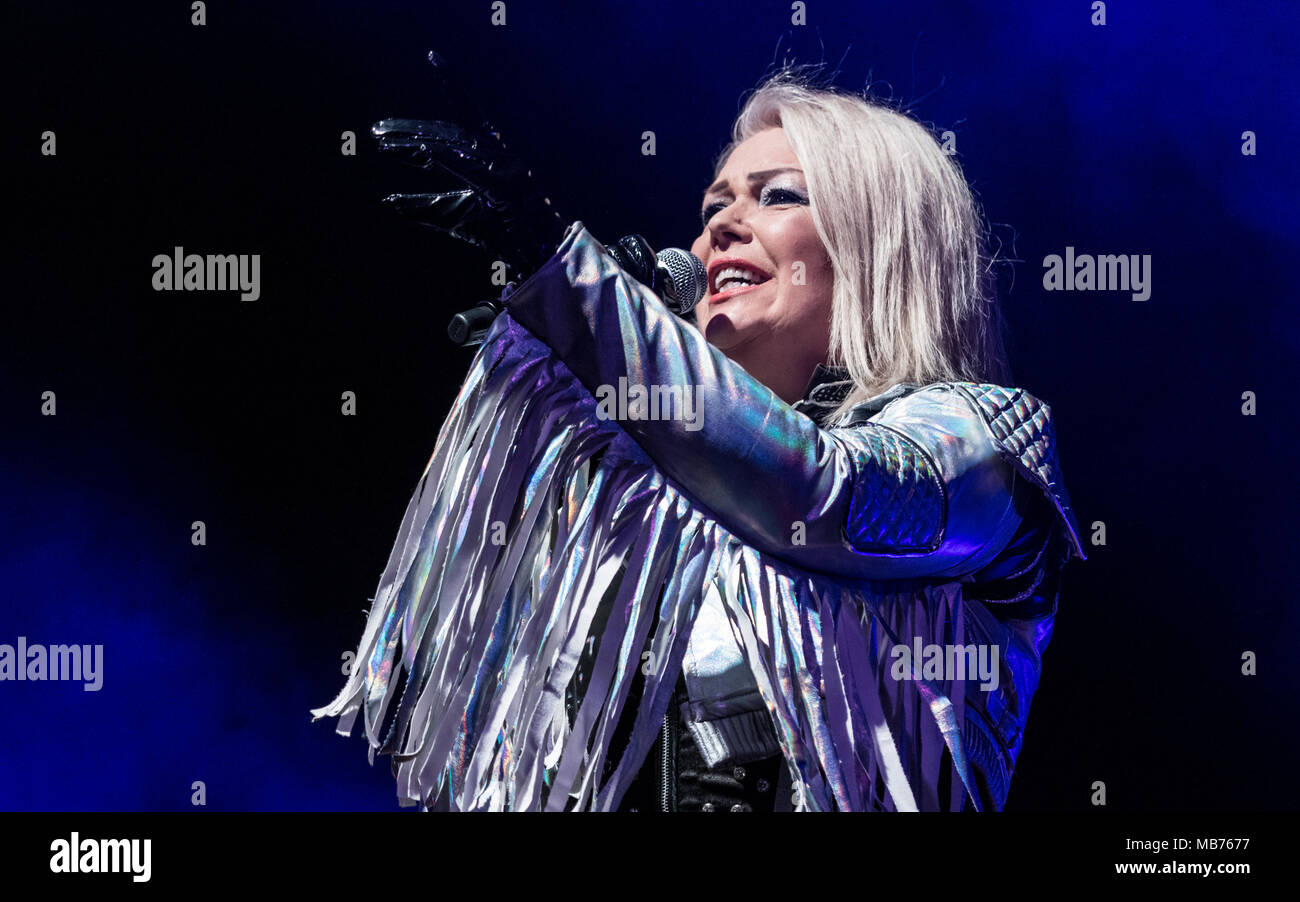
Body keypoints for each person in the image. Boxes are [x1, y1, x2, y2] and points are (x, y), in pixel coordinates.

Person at [312, 65, 1086, 812]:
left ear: (879, 247)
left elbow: (824, 494)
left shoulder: (986, 445)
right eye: (714, 205)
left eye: (777, 196)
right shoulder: (645, 500)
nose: (720, 225)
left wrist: (582, 294)